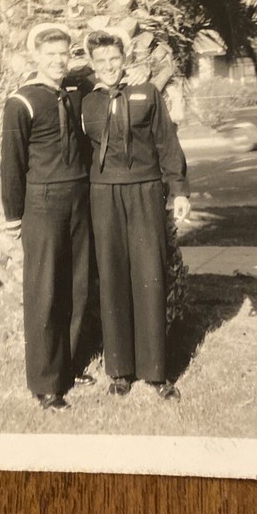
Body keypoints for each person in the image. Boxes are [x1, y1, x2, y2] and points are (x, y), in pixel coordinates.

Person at [80, 29, 191, 401]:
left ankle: (156, 372)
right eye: (101, 61)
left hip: (144, 190)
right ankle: (120, 370)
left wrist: (179, 189)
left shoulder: (147, 93)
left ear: (125, 59)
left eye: (114, 59)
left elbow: (167, 143)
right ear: (93, 65)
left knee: (149, 275)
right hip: (103, 195)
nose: (109, 66)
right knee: (112, 277)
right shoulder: (86, 101)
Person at [0, 23, 95, 411]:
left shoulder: (73, 94)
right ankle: (46, 384)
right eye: (50, 54)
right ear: (35, 57)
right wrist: (13, 218)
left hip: (79, 198)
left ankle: (67, 366)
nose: (58, 61)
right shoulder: (21, 102)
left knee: (77, 286)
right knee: (45, 292)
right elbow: (12, 165)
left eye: (63, 54)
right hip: (43, 203)